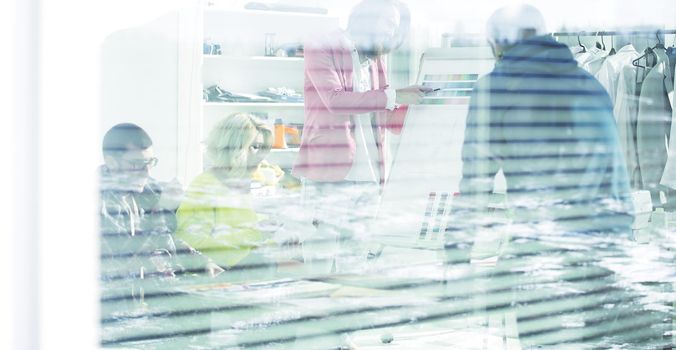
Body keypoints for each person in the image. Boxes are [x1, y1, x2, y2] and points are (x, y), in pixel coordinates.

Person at [442, 4, 660, 348]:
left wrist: (455, 260)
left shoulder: (496, 89)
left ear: (497, 43)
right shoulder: (589, 86)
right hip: (609, 249)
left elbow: (475, 187)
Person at [292, 0, 431, 274]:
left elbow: (384, 114)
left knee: (355, 261)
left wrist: (422, 110)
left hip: (369, 177)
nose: (391, 34)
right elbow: (335, 100)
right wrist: (394, 97)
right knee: (320, 260)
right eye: (388, 25)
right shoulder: (322, 45)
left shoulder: (376, 60)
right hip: (330, 172)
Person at [176, 113, 279, 281]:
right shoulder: (205, 185)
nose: (261, 155)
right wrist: (255, 235)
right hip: (226, 279)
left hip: (262, 273)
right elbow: (192, 244)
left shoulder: (259, 179)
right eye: (254, 147)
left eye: (263, 148)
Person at [99, 123, 185, 305]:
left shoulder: (150, 189)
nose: (147, 172)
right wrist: (161, 210)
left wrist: (202, 262)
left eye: (150, 162)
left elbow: (167, 240)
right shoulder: (97, 202)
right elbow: (124, 263)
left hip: (153, 304)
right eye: (136, 164)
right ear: (111, 162)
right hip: (113, 311)